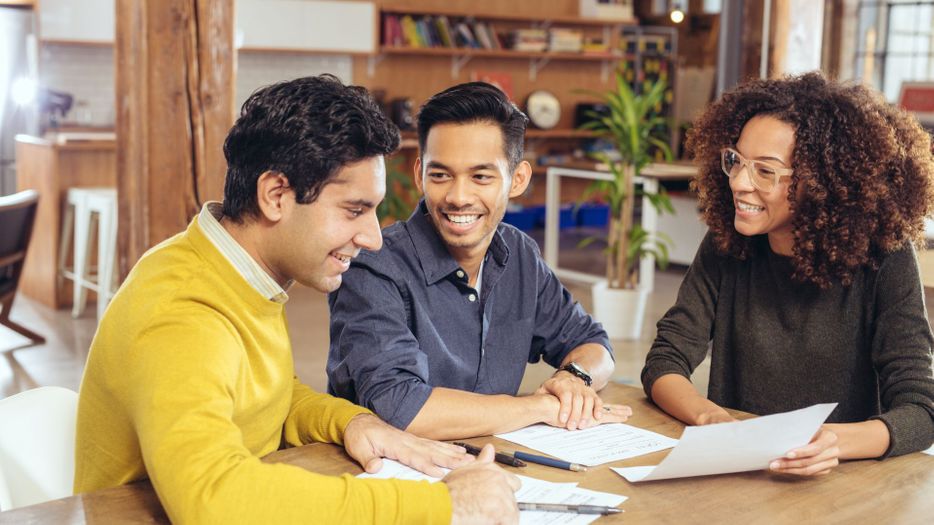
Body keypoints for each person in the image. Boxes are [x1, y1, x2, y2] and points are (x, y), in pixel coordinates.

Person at [74, 75, 521, 524]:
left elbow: (265, 396)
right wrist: (443, 506)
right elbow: (213, 500)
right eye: (354, 209)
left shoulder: (234, 272)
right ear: (276, 195)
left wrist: (354, 423)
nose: (372, 237)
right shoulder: (182, 312)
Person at [643, 72, 934, 476]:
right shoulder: (728, 241)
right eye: (736, 162)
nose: (740, 184)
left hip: (844, 483)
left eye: (765, 171)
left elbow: (921, 410)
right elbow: (665, 361)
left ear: (822, 185)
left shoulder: (885, 258)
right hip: (741, 476)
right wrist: (709, 418)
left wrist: (835, 442)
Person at [327, 82, 632, 440]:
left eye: (481, 177)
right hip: (389, 476)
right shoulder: (375, 265)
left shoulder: (518, 253)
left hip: (494, 464)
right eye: (440, 175)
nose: (458, 197)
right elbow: (399, 406)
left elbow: (594, 344)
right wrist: (542, 407)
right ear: (419, 174)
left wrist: (573, 379)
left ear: (517, 180)